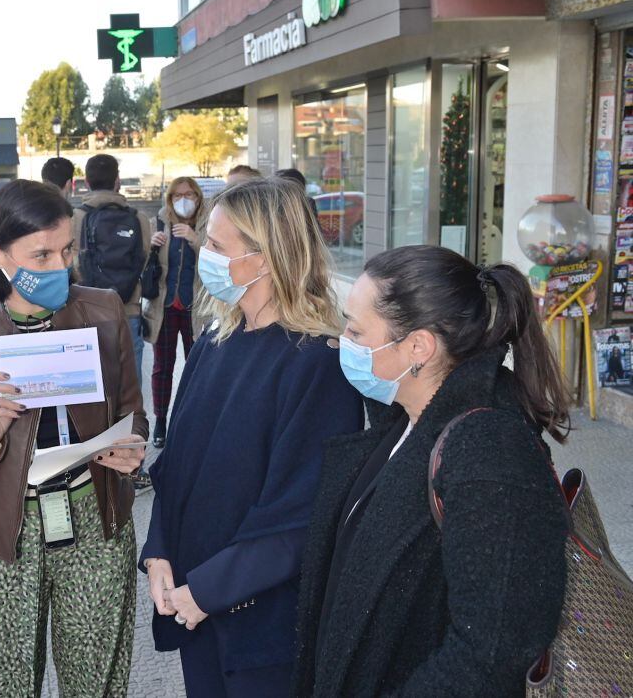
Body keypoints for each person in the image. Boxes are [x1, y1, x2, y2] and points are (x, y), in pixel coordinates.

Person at [291, 245, 569, 697]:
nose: (340, 340)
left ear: (418, 346)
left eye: (356, 331)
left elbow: (492, 653)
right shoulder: (404, 417)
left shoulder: (489, 458)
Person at [141, 178, 364, 697]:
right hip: (193, 603)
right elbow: (175, 467)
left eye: (218, 246)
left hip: (260, 627)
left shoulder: (319, 364)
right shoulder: (214, 343)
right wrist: (159, 554)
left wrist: (208, 590)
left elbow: (300, 517)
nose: (205, 255)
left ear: (266, 258)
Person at [0, 179, 147, 697]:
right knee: (1, 682)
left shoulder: (103, 309)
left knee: (96, 681)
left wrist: (132, 445)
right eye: (40, 254)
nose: (58, 267)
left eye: (67, 250)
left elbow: (132, 409)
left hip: (95, 520)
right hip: (1, 530)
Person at [143, 176, 207, 449]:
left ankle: (193, 421)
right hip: (166, 307)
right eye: (179, 195)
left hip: (196, 309)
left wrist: (195, 240)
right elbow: (144, 265)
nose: (185, 200)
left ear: (198, 198)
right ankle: (160, 420)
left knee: (197, 368)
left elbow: (219, 261)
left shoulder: (208, 224)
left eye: (190, 194)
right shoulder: (158, 222)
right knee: (162, 368)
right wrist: (152, 246)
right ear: (170, 199)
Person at [73, 154, 152, 376]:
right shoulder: (139, 218)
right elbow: (142, 259)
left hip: (88, 309)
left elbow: (72, 263)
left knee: (94, 381)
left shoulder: (77, 218)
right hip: (129, 308)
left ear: (86, 182)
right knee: (131, 380)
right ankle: (134, 413)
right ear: (117, 180)